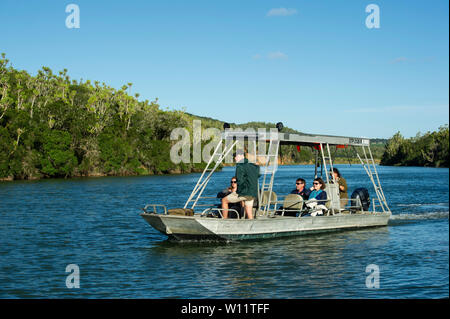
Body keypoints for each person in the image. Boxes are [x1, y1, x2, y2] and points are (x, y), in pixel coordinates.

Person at [221, 150, 259, 219]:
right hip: (253, 193)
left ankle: (224, 220)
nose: (235, 158)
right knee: (249, 210)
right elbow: (258, 175)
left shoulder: (240, 165)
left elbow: (239, 180)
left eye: (236, 156)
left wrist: (237, 190)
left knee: (224, 200)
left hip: (244, 192)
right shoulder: (253, 165)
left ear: (241, 156)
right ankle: (252, 225)